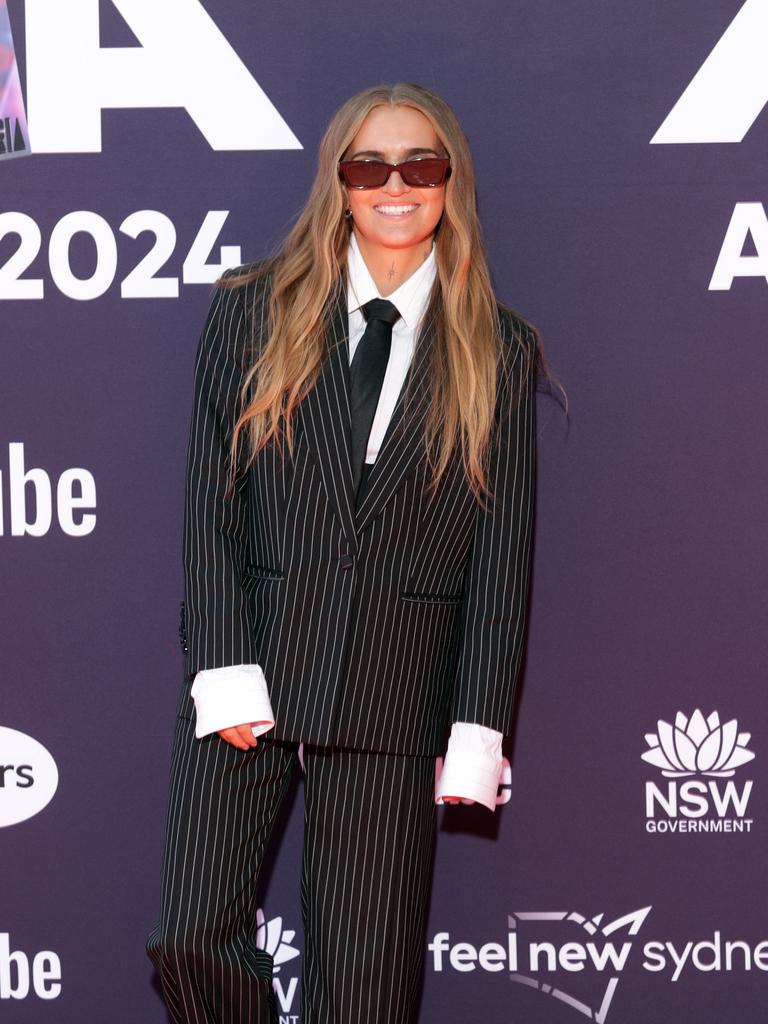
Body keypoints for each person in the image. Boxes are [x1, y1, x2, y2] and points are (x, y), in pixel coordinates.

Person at [146, 81, 538, 1024]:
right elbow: (211, 507)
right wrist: (225, 666)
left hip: (395, 686)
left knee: (365, 988)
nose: (394, 184)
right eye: (370, 165)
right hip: (254, 667)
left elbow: (502, 558)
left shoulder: (500, 349)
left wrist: (477, 723)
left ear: (451, 182)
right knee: (188, 934)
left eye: (420, 163)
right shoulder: (252, 312)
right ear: (339, 182)